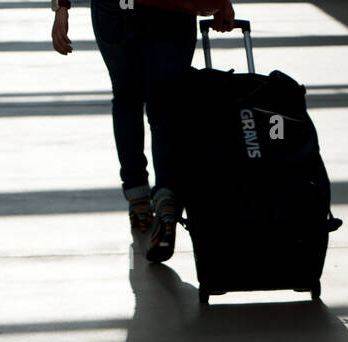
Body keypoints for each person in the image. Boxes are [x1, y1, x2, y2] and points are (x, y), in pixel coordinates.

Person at [51, 0, 235, 263]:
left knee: (127, 98)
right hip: (171, 10)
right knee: (166, 106)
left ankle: (138, 198)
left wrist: (61, 8)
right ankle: (166, 197)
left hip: (117, 10)